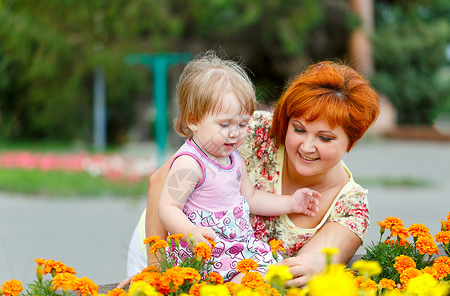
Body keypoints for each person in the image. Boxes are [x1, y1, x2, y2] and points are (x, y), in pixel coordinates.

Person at [120, 59, 380, 288]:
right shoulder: (250, 129)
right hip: (168, 247)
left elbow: (299, 270)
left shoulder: (350, 206)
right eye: (299, 129)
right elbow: (160, 182)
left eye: (325, 138)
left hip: (235, 275)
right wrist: (156, 271)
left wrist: (317, 262)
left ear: (351, 141)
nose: (307, 146)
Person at [157, 52, 320, 282]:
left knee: (270, 278)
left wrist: (291, 202)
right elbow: (167, 207)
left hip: (236, 248)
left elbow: (250, 197)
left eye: (243, 124)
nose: (235, 133)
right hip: (205, 251)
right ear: (193, 120)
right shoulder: (190, 163)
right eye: (224, 124)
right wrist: (190, 232)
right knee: (247, 283)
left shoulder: (233, 158)